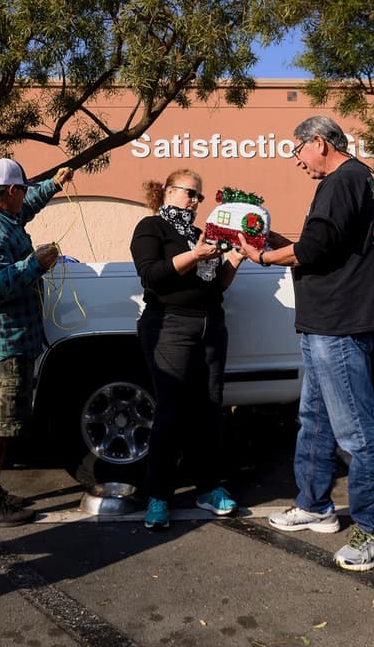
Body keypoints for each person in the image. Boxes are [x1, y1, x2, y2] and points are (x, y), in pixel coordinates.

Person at [236, 115, 374, 572]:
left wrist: (263, 256)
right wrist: (276, 242)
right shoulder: (352, 181)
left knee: (357, 432)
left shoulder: (343, 180)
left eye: (298, 150)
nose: (297, 161)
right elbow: (325, 243)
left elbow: (314, 249)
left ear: (320, 143)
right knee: (315, 419)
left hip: (338, 325)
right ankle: (315, 505)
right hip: (323, 323)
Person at [0, 157, 74, 526]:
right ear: (10, 191)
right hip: (4, 345)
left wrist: (53, 184)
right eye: (23, 190)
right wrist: (36, 263)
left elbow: (28, 207)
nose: (26, 196)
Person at [130, 169, 246, 530]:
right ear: (168, 191)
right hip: (170, 325)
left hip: (211, 325)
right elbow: (151, 275)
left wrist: (235, 259)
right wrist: (194, 255)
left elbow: (216, 285)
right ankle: (158, 495)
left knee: (210, 408)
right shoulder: (152, 227)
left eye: (199, 196)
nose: (195, 201)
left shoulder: (199, 235)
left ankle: (208, 487)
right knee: (171, 410)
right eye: (190, 193)